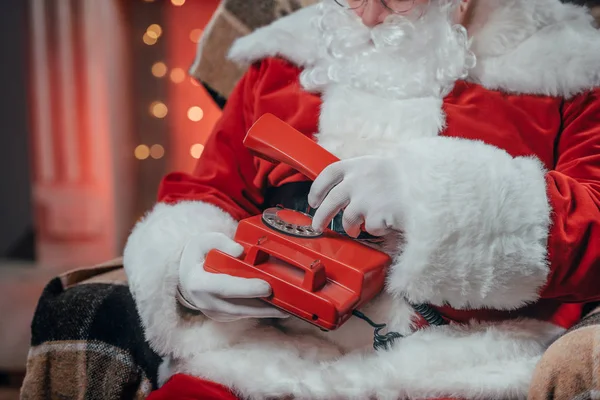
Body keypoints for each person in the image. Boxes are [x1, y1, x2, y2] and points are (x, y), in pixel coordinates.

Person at [122, 0, 600, 399]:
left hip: (460, 366)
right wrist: (184, 267)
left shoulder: (565, 70)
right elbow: (207, 190)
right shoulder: (281, 60)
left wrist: (434, 200)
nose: (369, 16)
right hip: (268, 360)